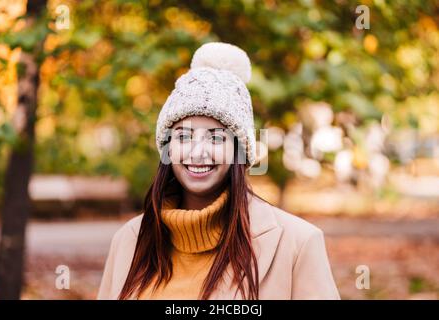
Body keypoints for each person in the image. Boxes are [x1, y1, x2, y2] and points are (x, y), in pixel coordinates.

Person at [97, 42, 340, 300]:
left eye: (216, 138)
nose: (198, 151)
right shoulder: (130, 240)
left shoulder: (298, 244)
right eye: (184, 136)